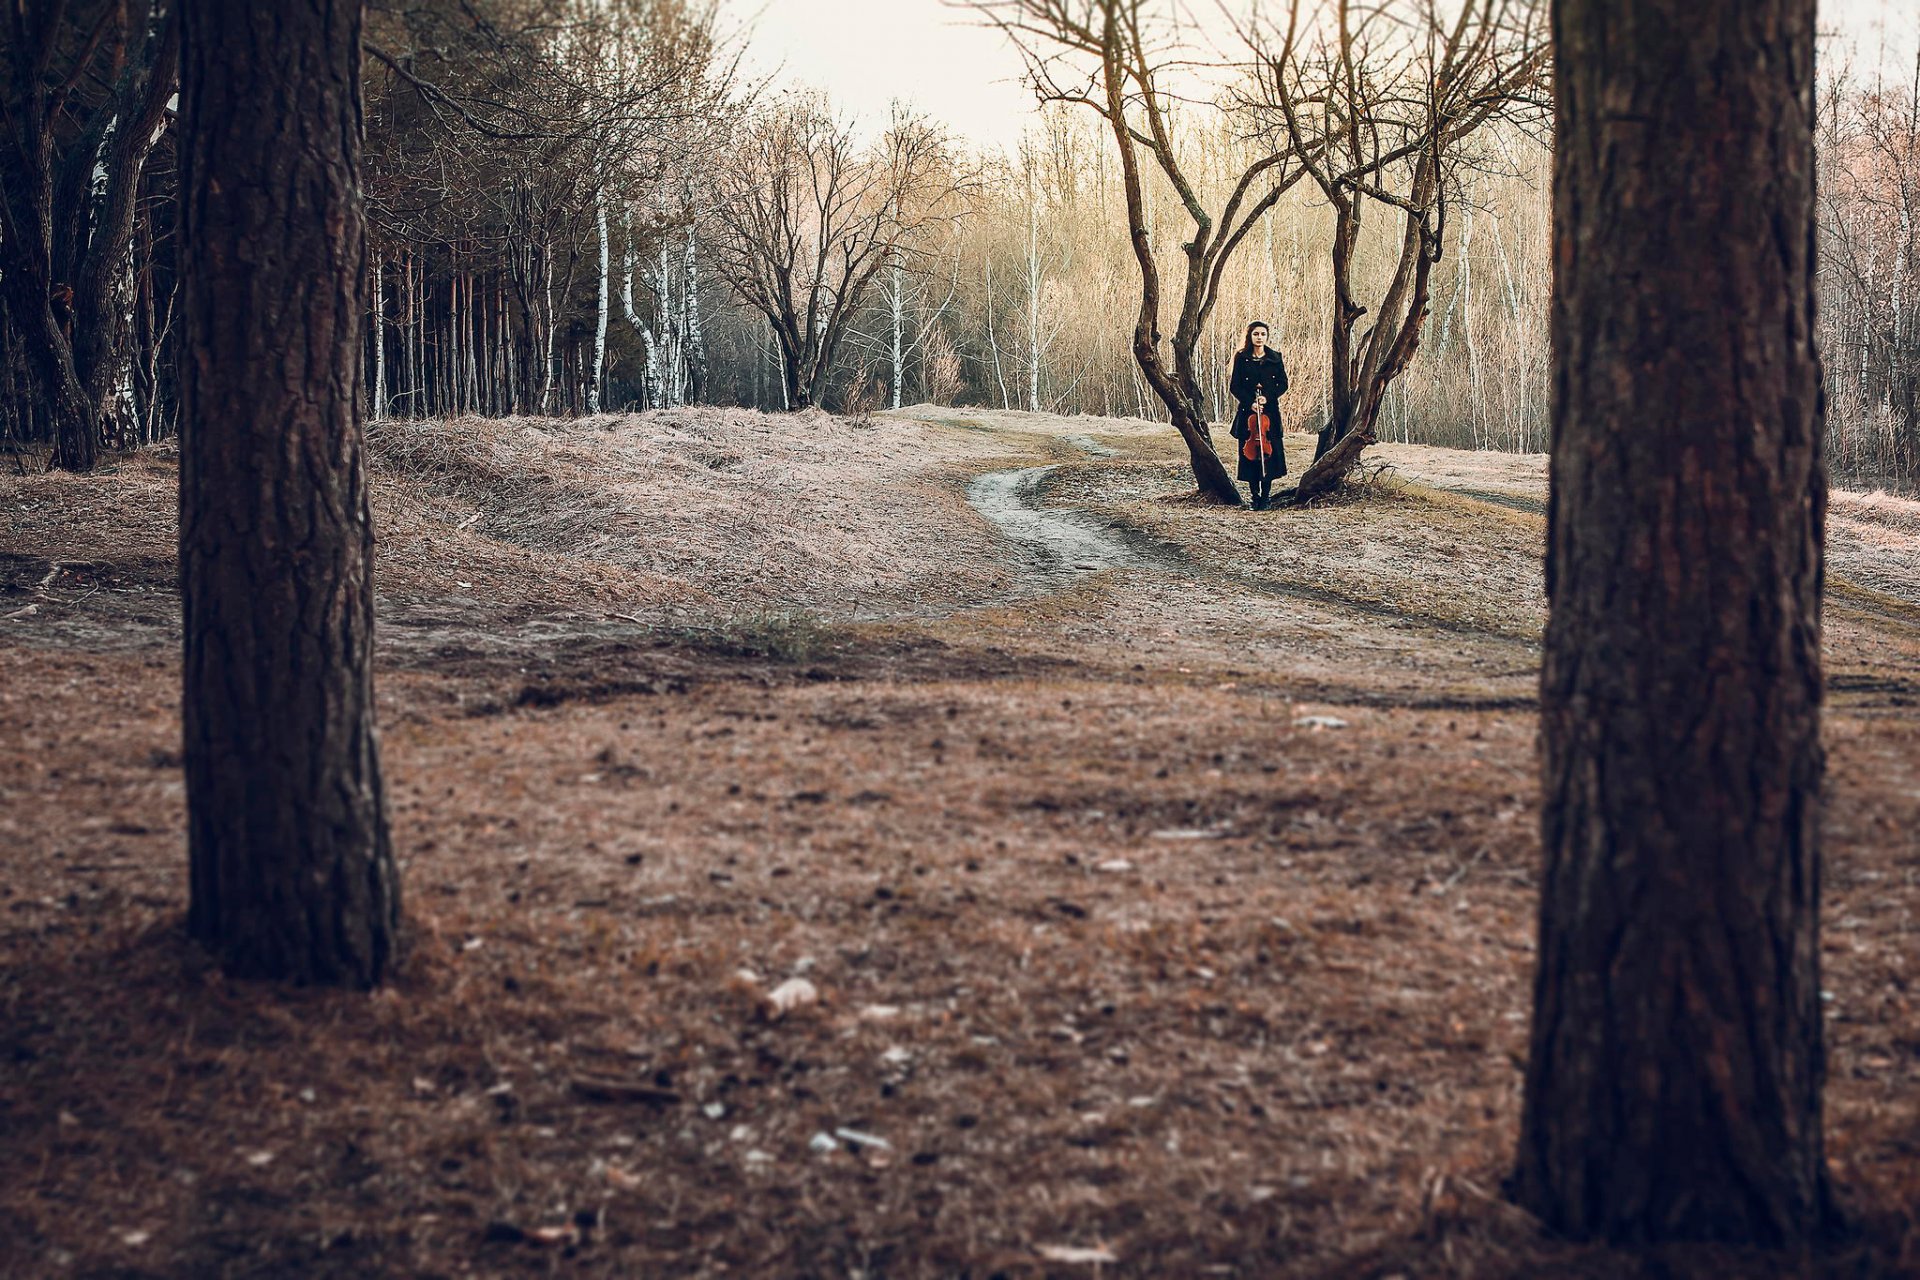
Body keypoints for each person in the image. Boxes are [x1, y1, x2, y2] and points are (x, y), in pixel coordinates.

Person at [1228, 321, 1288, 509]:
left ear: (1266, 336)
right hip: (1248, 414)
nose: (1259, 337)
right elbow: (1235, 386)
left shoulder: (1275, 358)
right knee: (1250, 456)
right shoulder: (1241, 357)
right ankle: (1254, 495)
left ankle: (1266, 497)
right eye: (1256, 334)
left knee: (1270, 455)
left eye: (1262, 334)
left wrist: (1267, 398)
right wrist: (1251, 403)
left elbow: (1283, 384)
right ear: (1250, 336)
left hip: (1269, 413)